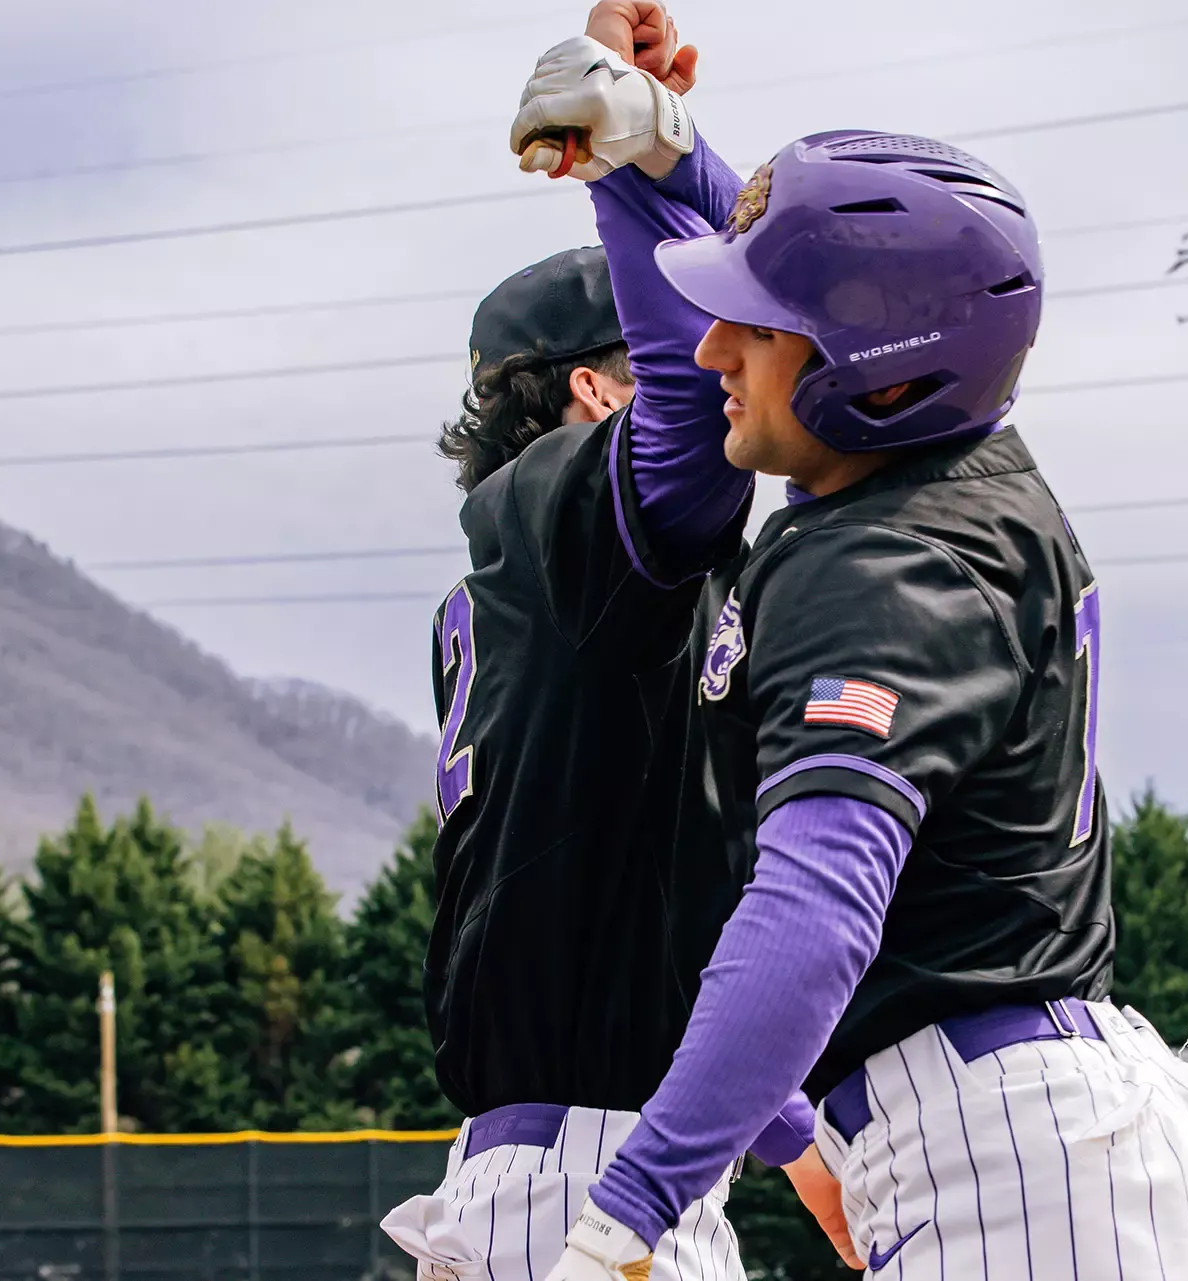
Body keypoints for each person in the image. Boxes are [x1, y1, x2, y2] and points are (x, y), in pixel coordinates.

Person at [511, 29, 1188, 1281]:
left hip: (1016, 1159)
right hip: (1059, 1129)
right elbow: (828, 269)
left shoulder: (876, 560)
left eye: (753, 326)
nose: (710, 351)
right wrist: (657, 146)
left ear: (870, 369)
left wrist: (631, 1210)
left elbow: (814, 916)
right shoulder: (944, 485)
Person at [380, 12, 854, 1279]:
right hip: (582, 1185)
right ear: (594, 390)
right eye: (664, 342)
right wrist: (633, 160)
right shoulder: (569, 524)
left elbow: (649, 887)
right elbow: (693, 428)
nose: (713, 353)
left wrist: (790, 1128)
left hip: (565, 1169)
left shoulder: (543, 576)